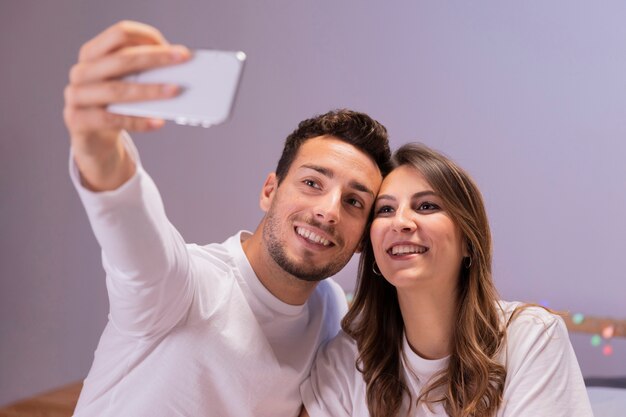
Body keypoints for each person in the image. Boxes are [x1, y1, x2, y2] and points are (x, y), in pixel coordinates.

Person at [63, 21, 392, 417]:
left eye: (355, 202)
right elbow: (129, 219)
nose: (328, 211)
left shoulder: (329, 310)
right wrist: (96, 141)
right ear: (269, 191)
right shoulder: (178, 287)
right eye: (311, 182)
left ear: (362, 239)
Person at [300, 143, 594, 417]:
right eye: (385, 209)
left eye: (426, 206)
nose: (401, 222)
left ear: (468, 241)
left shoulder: (532, 338)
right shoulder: (345, 360)